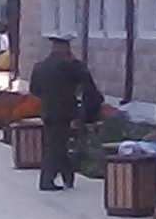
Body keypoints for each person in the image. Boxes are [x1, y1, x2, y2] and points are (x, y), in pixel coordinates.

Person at [29, 33, 102, 192]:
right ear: (65, 48)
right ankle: (47, 181)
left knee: (56, 143)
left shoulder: (40, 66)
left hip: (47, 110)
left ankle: (68, 176)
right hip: (66, 111)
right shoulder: (72, 66)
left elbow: (34, 90)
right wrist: (89, 111)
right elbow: (89, 88)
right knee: (56, 146)